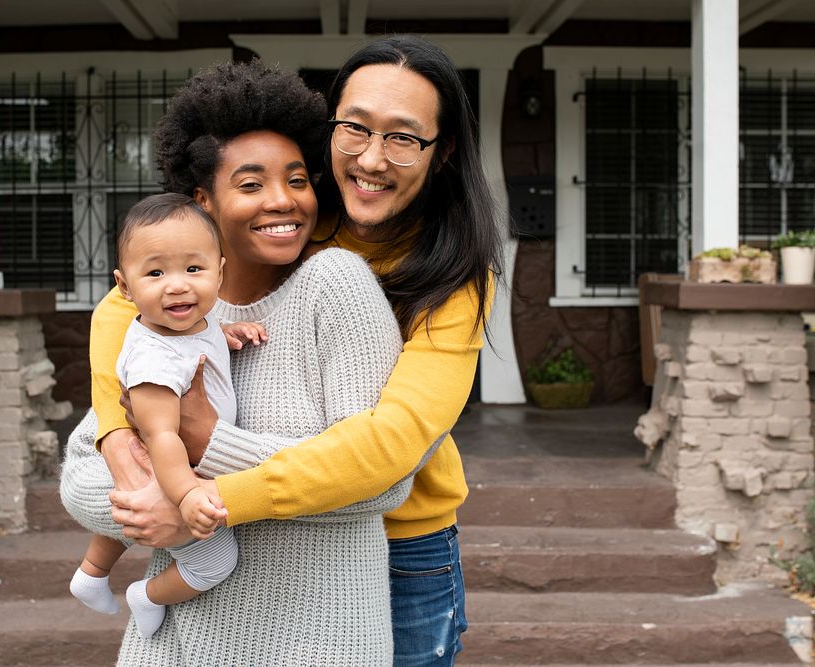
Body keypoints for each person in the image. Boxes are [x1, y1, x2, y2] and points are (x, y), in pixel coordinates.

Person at [109, 36, 503, 666]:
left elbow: (390, 446)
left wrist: (204, 499)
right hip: (260, 539)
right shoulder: (292, 216)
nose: (372, 158)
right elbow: (127, 310)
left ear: (443, 150)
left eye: (403, 137)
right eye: (356, 129)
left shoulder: (452, 274)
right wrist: (117, 444)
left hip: (401, 549)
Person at [60, 60, 412, 665]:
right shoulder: (168, 313)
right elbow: (81, 472)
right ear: (204, 200)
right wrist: (171, 506)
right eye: (250, 184)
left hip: (319, 641)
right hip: (172, 645)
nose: (283, 200)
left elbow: (383, 478)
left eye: (298, 179)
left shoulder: (336, 287)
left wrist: (207, 455)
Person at [68, 193, 267, 637]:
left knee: (129, 513)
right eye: (155, 273)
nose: (177, 285)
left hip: (179, 460)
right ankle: (147, 594)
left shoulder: (191, 322)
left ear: (220, 271)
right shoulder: (152, 362)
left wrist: (227, 332)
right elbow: (161, 437)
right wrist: (186, 497)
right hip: (172, 467)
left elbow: (201, 338)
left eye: (193, 269)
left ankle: (91, 572)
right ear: (124, 286)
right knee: (215, 563)